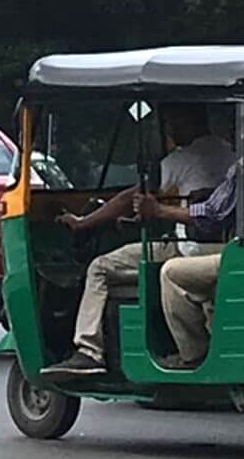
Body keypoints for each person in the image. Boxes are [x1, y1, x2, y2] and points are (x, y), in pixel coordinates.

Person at [42, 103, 234, 377]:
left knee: (99, 267)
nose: (168, 130)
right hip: (222, 246)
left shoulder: (181, 159)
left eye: (171, 123)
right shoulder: (229, 152)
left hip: (190, 250)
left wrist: (83, 223)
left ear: (185, 120)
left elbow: (128, 198)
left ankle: (88, 350)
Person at [135, 162, 239, 369]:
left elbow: (212, 215)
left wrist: (158, 210)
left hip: (243, 253)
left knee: (172, 272)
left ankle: (194, 354)